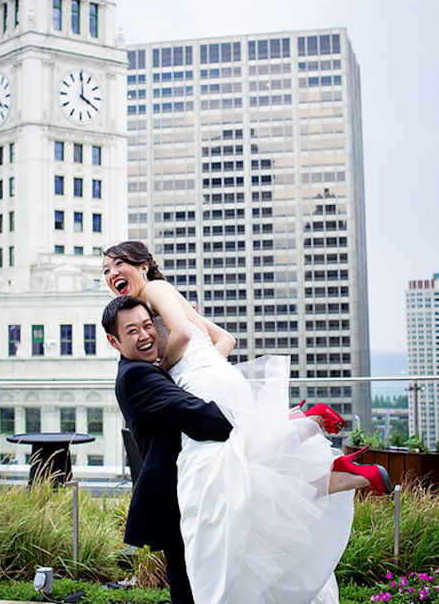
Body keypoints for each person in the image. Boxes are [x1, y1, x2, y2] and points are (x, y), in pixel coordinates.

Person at [103, 241, 391, 604]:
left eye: (120, 264)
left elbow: (185, 336)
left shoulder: (156, 292)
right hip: (221, 374)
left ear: (144, 266)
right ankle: (317, 451)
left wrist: (171, 369)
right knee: (248, 477)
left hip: (202, 382)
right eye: (106, 271)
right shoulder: (163, 299)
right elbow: (225, 339)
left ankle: (302, 426)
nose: (113, 273)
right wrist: (202, 365)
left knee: (213, 494)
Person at [103, 295, 233, 604]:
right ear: (114, 341)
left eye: (148, 326)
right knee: (188, 579)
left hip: (186, 487)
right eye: (132, 331)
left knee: (190, 576)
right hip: (173, 493)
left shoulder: (148, 369)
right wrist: (246, 426)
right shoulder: (136, 376)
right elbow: (199, 416)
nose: (145, 335)